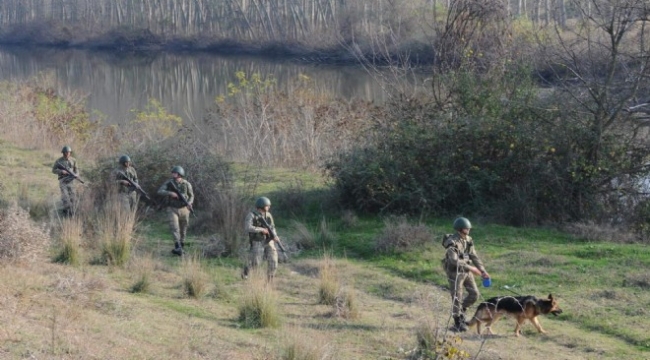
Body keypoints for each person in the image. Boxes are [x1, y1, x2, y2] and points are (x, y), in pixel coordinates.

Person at [442, 217, 491, 332]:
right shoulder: (452, 242)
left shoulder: (468, 240)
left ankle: (462, 311)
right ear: (460, 229)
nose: (468, 229)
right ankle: (458, 321)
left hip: (467, 272)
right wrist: (471, 268)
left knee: (474, 294)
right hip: (455, 273)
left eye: (469, 228)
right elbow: (454, 260)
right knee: (457, 297)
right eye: (466, 228)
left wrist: (483, 270)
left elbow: (474, 256)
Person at [242, 196, 282, 281]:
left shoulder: (268, 215)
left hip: (269, 241)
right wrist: (261, 230)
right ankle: (246, 271)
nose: (269, 207)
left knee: (273, 260)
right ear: (262, 206)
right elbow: (247, 227)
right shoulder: (251, 215)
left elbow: (272, 227)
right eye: (268, 205)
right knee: (256, 262)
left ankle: (270, 280)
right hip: (257, 241)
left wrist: (275, 236)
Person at [157, 166, 194, 256]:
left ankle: (181, 246)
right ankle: (177, 246)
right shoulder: (169, 183)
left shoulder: (186, 184)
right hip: (172, 208)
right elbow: (160, 191)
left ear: (180, 174)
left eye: (175, 173)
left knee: (183, 228)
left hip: (184, 209)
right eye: (173, 173)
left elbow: (191, 195)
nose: (173, 174)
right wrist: (170, 193)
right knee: (174, 228)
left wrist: (189, 203)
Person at [51, 145, 79, 216]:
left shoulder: (73, 160)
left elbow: (77, 170)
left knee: (73, 197)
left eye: (69, 152)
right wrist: (61, 171)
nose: (67, 154)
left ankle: (73, 212)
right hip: (63, 180)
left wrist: (76, 175)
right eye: (66, 152)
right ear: (63, 153)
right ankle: (66, 212)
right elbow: (53, 170)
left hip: (71, 181)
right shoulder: (59, 161)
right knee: (65, 197)